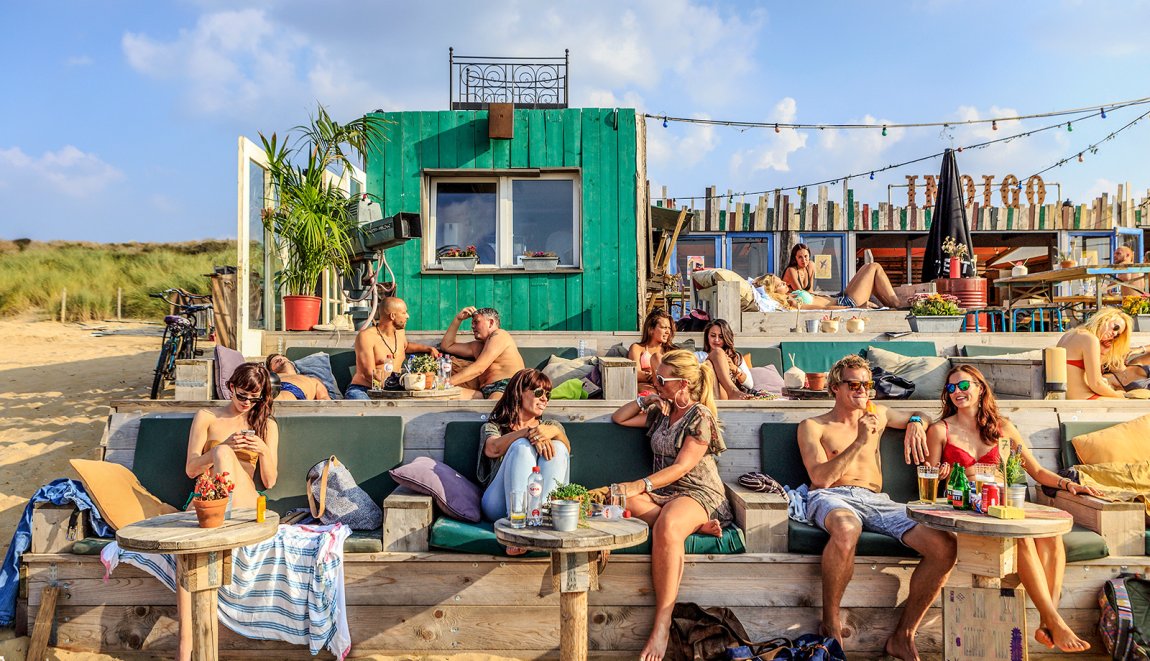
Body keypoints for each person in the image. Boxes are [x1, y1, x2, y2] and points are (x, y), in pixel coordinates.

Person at [925, 365, 1098, 653]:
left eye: (964, 386)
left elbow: (1038, 471)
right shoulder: (939, 430)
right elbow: (931, 474)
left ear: (980, 388)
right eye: (951, 388)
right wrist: (940, 473)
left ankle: (1047, 620)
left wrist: (1070, 486)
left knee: (1052, 538)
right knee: (1024, 538)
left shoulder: (1003, 428)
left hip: (1004, 502)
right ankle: (1054, 620)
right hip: (969, 508)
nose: (957, 392)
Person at [798, 355, 954, 659]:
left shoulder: (879, 414)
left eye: (866, 385)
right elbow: (821, 478)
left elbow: (921, 412)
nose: (861, 390)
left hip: (876, 500)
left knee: (944, 545)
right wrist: (858, 441)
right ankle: (831, 624)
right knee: (846, 528)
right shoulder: (813, 426)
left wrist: (916, 424)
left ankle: (903, 635)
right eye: (853, 384)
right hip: (831, 496)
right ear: (834, 388)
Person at [610, 349, 732, 661]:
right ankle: (690, 525)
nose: (656, 382)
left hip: (698, 492)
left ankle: (662, 625)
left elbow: (682, 468)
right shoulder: (662, 411)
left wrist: (642, 484)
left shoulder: (700, 417)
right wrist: (646, 399)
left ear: (682, 385)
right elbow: (618, 418)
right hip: (666, 494)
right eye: (654, 377)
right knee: (620, 501)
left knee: (666, 525)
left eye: (661, 379)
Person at [181, 363, 279, 661]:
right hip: (208, 497)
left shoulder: (266, 424)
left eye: (254, 398)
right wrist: (220, 447)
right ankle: (185, 649)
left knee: (225, 454)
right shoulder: (207, 417)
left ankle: (221, 529)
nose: (246, 403)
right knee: (184, 557)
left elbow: (270, 481)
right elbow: (190, 469)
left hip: (245, 501)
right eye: (241, 395)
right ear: (230, 387)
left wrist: (262, 449)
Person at [478, 369, 570, 554]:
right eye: (538, 392)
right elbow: (492, 448)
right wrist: (527, 433)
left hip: (538, 504)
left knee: (558, 447)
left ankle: (542, 522)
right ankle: (516, 531)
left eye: (547, 394)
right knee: (521, 445)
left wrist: (556, 433)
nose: (544, 399)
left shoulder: (550, 427)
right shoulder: (493, 426)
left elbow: (566, 452)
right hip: (499, 504)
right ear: (519, 392)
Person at [346, 297, 441, 400]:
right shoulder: (366, 337)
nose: (408, 316)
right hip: (364, 390)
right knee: (367, 409)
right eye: (404, 313)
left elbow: (405, 346)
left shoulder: (400, 333)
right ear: (392, 316)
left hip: (393, 390)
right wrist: (398, 385)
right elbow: (369, 374)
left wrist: (428, 349)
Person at [781, 243, 901, 308]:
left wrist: (821, 294)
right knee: (874, 267)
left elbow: (810, 291)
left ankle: (890, 306)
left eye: (806, 256)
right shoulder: (791, 275)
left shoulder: (810, 266)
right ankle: (897, 305)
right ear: (794, 258)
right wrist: (856, 308)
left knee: (867, 267)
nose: (804, 260)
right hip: (844, 303)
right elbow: (804, 294)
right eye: (800, 257)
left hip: (838, 297)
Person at [441, 306, 525, 399]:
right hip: (484, 391)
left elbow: (479, 368)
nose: (472, 326)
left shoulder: (500, 335)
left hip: (506, 387)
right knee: (442, 396)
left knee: (492, 408)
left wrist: (445, 383)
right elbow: (447, 346)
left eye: (476, 322)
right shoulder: (477, 346)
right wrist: (458, 319)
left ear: (491, 322)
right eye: (472, 323)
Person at [1056, 307, 1132, 400]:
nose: (1114, 334)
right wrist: (1119, 395)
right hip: (1083, 398)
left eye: (1117, 334)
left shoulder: (1069, 334)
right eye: (1115, 327)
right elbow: (1096, 384)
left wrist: (1103, 352)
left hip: (1069, 396)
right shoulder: (1090, 339)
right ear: (1105, 318)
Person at [698, 319, 753, 400]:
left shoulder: (735, 357)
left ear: (726, 338)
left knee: (718, 353)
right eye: (713, 335)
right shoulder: (698, 356)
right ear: (707, 337)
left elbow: (750, 385)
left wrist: (735, 369)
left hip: (725, 396)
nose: (716, 340)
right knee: (710, 362)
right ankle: (732, 391)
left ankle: (732, 392)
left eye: (721, 337)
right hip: (707, 394)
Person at [629, 308, 677, 390]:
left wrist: (653, 375)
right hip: (646, 387)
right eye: (664, 327)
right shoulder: (637, 348)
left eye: (669, 328)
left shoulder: (672, 351)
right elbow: (635, 373)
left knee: (657, 357)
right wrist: (655, 376)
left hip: (668, 387)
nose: (668, 332)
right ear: (651, 329)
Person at [264, 353, 331, 401]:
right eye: (276, 361)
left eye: (282, 357)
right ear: (271, 370)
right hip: (267, 390)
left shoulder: (314, 380)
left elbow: (325, 400)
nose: (280, 360)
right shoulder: (267, 376)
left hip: (292, 393)